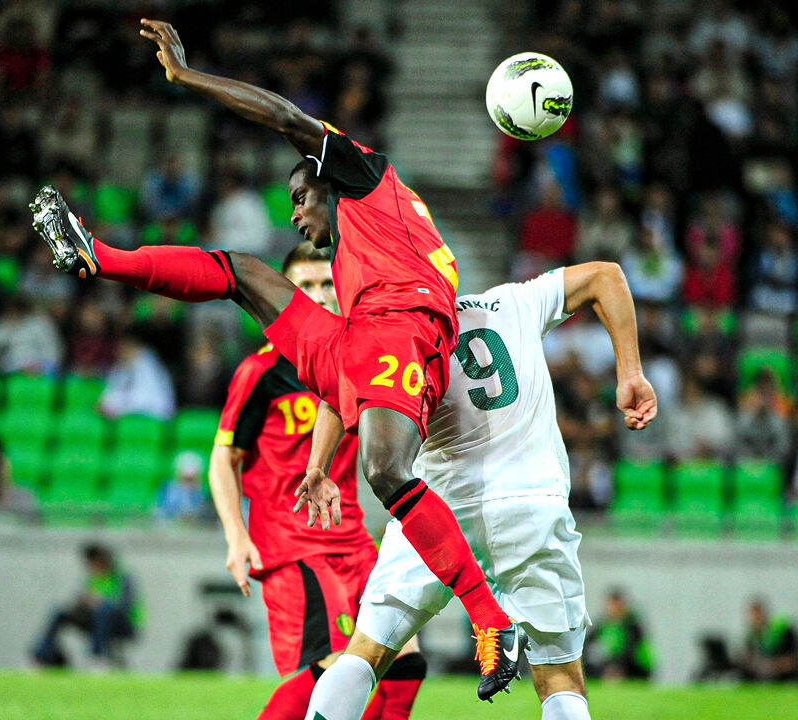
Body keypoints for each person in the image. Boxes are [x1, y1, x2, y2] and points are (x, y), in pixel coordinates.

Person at [30, 17, 524, 699]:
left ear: (327, 181)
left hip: (400, 325)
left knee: (385, 471)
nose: (296, 215)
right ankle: (100, 256)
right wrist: (319, 465)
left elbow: (286, 115)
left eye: (299, 198)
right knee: (242, 272)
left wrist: (188, 75)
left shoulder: (365, 178)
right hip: (362, 337)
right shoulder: (358, 262)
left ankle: (493, 622)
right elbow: (334, 393)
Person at [306, 263, 656, 720]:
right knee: (560, 679)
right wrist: (629, 372)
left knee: (366, 653)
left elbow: (338, 390)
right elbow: (607, 276)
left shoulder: (400, 334)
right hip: (531, 507)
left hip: (434, 514)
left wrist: (318, 464)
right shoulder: (515, 302)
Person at [209, 243, 425, 720]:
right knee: (335, 668)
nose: (319, 294)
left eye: (327, 283)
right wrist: (235, 535)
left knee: (406, 663)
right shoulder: (260, 372)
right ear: (283, 294)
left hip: (350, 538)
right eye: (304, 285)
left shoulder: (352, 365)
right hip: (292, 546)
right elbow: (224, 459)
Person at [31, 543, 142, 668]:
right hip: (96, 621)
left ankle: (98, 657)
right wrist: (82, 604)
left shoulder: (123, 577)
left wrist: (101, 602)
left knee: (104, 610)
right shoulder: (93, 578)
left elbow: (125, 606)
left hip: (124, 625)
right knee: (60, 611)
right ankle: (42, 656)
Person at [589, 589, 654, 680]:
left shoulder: (632, 624)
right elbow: (588, 641)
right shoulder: (603, 623)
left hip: (637, 665)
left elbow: (631, 649)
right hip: (614, 662)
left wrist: (615, 667)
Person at [736, 598, 798, 682]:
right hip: (764, 667)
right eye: (752, 616)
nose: (754, 619)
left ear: (763, 614)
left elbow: (792, 655)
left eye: (757, 615)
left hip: (782, 667)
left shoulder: (779, 631)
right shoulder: (753, 635)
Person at [153, 451, 207, 523]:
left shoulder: (200, 494)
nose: (188, 483)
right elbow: (161, 512)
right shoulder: (168, 490)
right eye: (186, 479)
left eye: (191, 479)